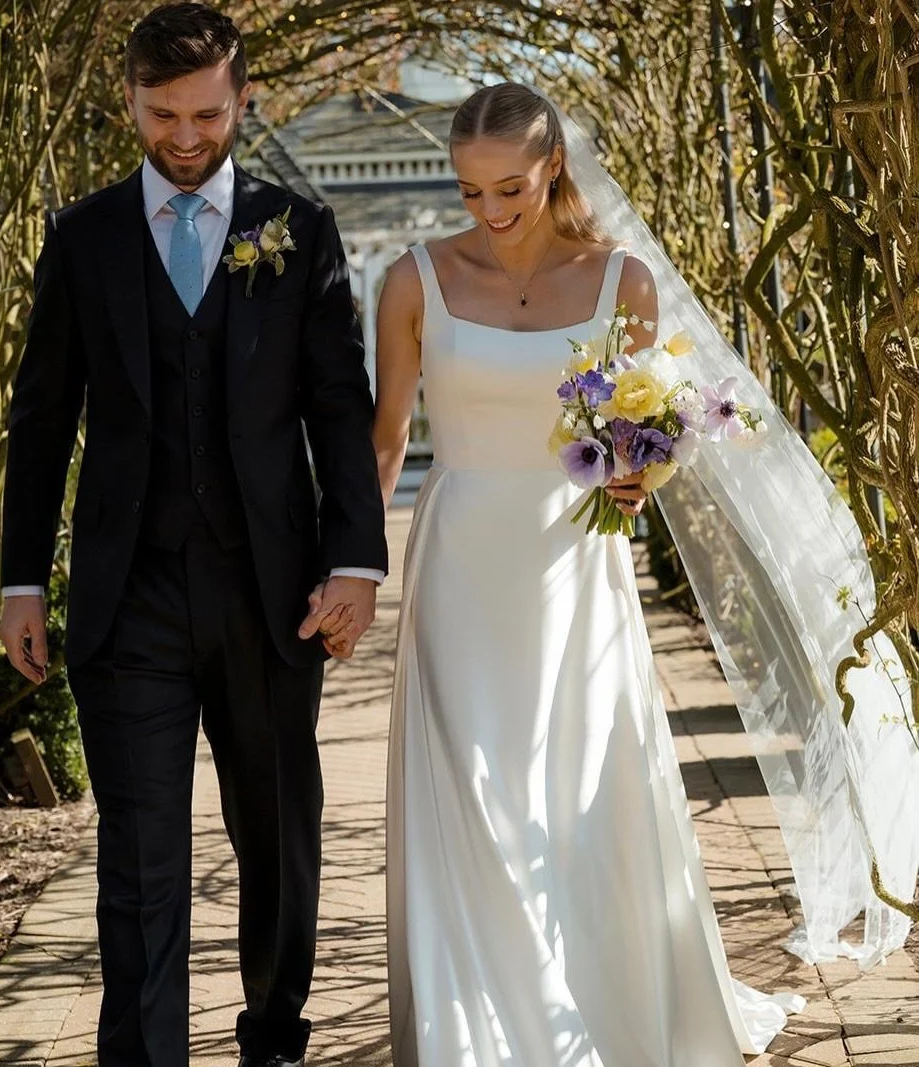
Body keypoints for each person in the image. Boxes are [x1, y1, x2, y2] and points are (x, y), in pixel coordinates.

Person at [373, 82, 804, 1066]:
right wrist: (350, 560)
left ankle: (595, 1009)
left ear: (552, 164)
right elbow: (385, 440)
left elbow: (640, 436)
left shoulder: (623, 283)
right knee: (469, 781)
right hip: (457, 558)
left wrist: (636, 475)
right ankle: (470, 1033)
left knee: (578, 776)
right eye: (469, 191)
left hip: (576, 566)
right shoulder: (411, 280)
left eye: (509, 188)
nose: (488, 212)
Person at [0, 5, 386, 1066]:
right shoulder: (80, 238)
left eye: (205, 113)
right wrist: (20, 577)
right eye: (160, 112)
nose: (181, 136)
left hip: (273, 592)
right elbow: (41, 418)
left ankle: (271, 1037)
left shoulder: (297, 230)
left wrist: (354, 561)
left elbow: (337, 410)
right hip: (130, 596)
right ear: (127, 99)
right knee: (139, 854)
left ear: (242, 98)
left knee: (274, 834)